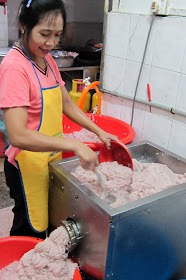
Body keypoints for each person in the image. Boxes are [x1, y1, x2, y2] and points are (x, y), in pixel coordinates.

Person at [0, 0, 120, 239]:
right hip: (26, 164)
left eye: (57, 36)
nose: (52, 43)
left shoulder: (47, 59)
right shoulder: (15, 68)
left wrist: (98, 132)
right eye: (44, 34)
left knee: (49, 221)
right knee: (28, 227)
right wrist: (74, 145)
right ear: (24, 26)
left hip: (50, 158)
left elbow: (65, 103)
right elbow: (18, 135)